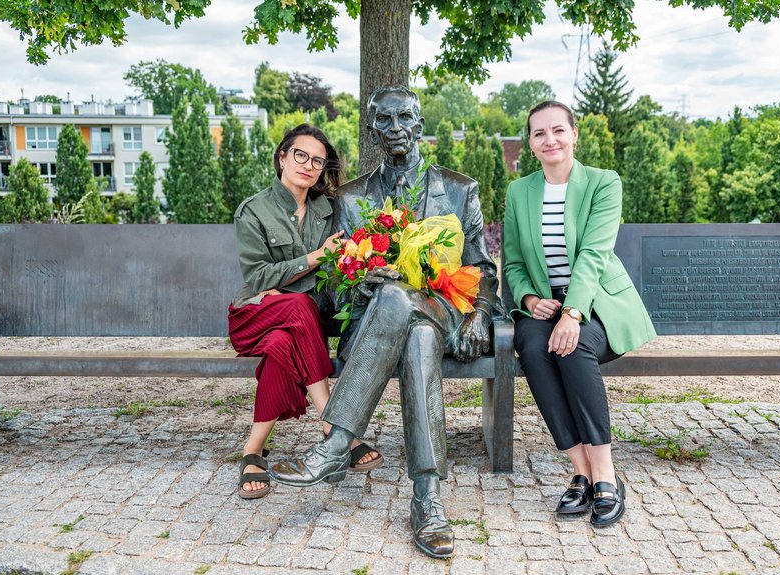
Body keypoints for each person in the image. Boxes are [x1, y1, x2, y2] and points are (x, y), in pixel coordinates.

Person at [270, 87, 502, 558]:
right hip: (381, 323)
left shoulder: (458, 189)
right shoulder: (353, 197)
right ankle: (428, 497)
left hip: (446, 312)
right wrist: (360, 280)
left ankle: (336, 445)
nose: (395, 129)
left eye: (404, 119)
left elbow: (484, 268)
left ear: (419, 123)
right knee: (410, 326)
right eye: (385, 121)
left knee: (411, 309)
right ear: (373, 130)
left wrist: (478, 312)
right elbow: (334, 287)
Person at [503, 101, 656, 527]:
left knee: (572, 348)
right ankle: (580, 470)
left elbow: (593, 254)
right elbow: (513, 262)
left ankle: (605, 472)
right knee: (532, 347)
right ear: (530, 144)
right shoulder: (520, 192)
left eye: (557, 130)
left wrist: (573, 313)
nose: (549, 139)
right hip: (545, 305)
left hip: (597, 303)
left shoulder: (604, 183)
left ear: (574, 135)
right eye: (538, 133)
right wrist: (531, 301)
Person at [228, 124, 382, 501]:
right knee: (297, 306)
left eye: (317, 161)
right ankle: (335, 426)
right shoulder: (254, 210)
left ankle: (252, 451)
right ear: (282, 156)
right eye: (301, 155)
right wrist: (315, 257)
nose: (308, 166)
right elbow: (259, 276)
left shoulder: (328, 210)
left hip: (298, 326)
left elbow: (341, 266)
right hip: (254, 315)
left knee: (282, 344)